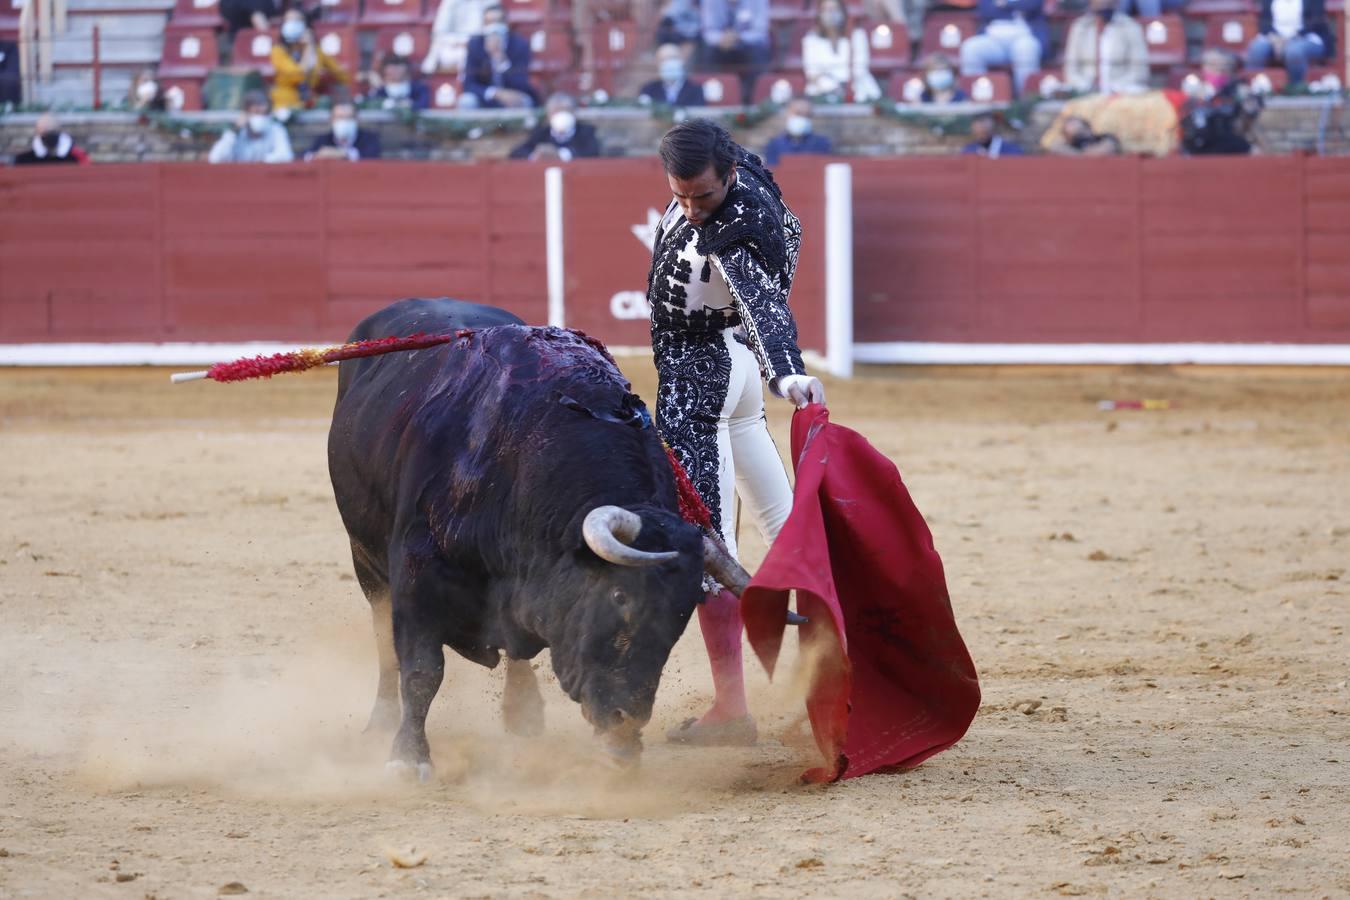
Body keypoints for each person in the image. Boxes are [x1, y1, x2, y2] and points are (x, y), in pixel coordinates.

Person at [646, 119, 825, 747]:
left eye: (703, 196)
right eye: (681, 196)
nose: (692, 210)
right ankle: (826, 675)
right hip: (734, 368)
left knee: (707, 546)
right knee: (785, 526)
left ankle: (731, 710)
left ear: (727, 177)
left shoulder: (734, 229)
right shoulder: (736, 168)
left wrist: (788, 371)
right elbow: (793, 234)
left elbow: (764, 302)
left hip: (703, 379)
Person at [270, 9, 351, 116]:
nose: (292, 23)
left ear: (306, 25)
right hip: (285, 105)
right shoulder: (278, 51)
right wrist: (308, 48)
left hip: (310, 103)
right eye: (288, 20)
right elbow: (298, 75)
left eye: (297, 20)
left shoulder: (316, 50)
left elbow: (341, 75)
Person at [959, 0, 1047, 96]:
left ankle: (1026, 99)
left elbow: (1032, 4)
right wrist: (1015, 7)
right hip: (993, 39)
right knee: (970, 48)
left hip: (1025, 36)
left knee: (1026, 49)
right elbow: (986, 9)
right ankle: (974, 98)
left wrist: (1005, 4)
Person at [801, 0, 883, 102]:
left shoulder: (857, 35)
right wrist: (832, 87)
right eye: (826, 9)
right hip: (820, 92)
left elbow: (860, 67)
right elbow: (811, 72)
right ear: (819, 14)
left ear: (843, 12)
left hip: (857, 88)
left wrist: (844, 86)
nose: (830, 13)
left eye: (834, 9)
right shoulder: (811, 39)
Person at [1062, 0, 1149, 95]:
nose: (1103, 2)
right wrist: (1086, 87)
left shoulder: (1131, 27)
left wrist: (1113, 88)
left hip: (1120, 93)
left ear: (1117, 2)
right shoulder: (1079, 27)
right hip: (1086, 93)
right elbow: (1070, 69)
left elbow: (1139, 71)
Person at [460, 5, 537, 108]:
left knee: (525, 101)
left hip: (511, 96)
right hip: (485, 97)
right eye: (489, 22)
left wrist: (502, 60)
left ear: (506, 24)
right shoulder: (475, 45)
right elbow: (468, 84)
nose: (494, 26)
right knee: (466, 101)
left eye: (498, 21)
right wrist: (495, 93)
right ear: (483, 25)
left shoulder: (520, 44)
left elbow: (521, 84)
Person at [1245, 0, 1334, 86]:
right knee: (1256, 48)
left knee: (1294, 51)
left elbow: (1316, 21)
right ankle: (1256, 88)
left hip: (1306, 37)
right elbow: (1264, 21)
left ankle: (1296, 88)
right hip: (1275, 37)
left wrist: (1291, 39)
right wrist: (1274, 37)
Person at [701, 0, 771, 105]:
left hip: (748, 44)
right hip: (722, 44)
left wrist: (738, 37)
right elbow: (708, 31)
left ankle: (751, 101)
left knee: (758, 53)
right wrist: (721, 39)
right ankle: (712, 98)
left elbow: (760, 32)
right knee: (707, 52)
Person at [208, 90, 295, 163]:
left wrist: (261, 162)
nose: (258, 109)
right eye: (254, 106)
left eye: (261, 105)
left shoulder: (276, 129)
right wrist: (234, 131)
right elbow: (215, 158)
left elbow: (286, 155)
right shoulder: (236, 132)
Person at [508, 93, 601, 160]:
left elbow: (593, 152)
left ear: (573, 113)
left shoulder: (585, 131)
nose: (560, 114)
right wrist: (535, 154)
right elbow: (516, 153)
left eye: (565, 110)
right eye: (556, 110)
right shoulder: (541, 133)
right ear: (549, 115)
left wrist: (560, 154)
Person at [422, 0, 493, 74]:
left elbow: (491, 28)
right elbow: (440, 32)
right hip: (455, 47)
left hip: (480, 46)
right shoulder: (450, 2)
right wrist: (460, 42)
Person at [305, 99, 382, 160]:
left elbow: (371, 156)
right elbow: (306, 157)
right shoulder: (323, 139)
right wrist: (319, 155)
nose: (344, 122)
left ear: (357, 119)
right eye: (340, 117)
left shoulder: (369, 138)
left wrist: (342, 154)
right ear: (332, 120)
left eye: (349, 117)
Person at [763, 97, 833, 164]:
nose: (803, 118)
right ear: (787, 113)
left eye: (808, 115)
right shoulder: (775, 144)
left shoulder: (821, 143)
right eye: (798, 113)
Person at [640, 42, 706, 106]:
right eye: (664, 60)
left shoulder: (696, 89)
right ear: (657, 63)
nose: (669, 63)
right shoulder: (649, 90)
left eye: (673, 58)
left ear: (682, 60)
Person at [12, 114, 89, 165]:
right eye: (44, 132)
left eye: (51, 131)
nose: (48, 137)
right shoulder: (23, 160)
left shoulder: (76, 156)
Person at [1047, 114, 1122, 154]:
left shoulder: (1105, 138)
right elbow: (1055, 146)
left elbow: (1107, 147)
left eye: (1081, 130)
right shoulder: (1069, 146)